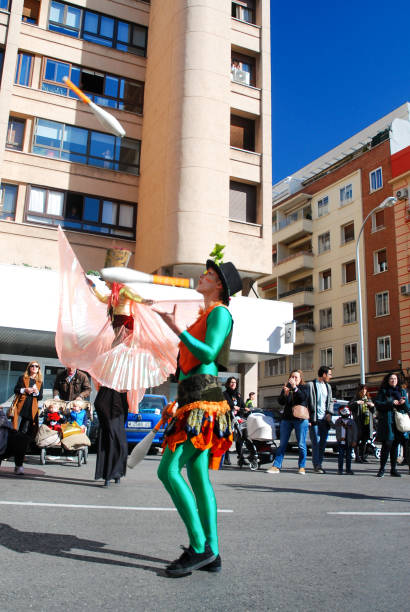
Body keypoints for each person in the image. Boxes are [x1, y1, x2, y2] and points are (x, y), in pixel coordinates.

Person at [155, 257, 242, 577]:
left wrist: (175, 327)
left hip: (205, 401)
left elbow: (208, 353)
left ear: (219, 284)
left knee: (168, 471)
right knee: (197, 476)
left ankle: (199, 546)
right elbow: (188, 363)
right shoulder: (202, 317)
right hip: (192, 398)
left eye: (208, 274)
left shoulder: (221, 312)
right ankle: (213, 553)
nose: (201, 277)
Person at [266, 370, 309, 475]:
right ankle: (276, 466)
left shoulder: (304, 387)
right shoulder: (286, 387)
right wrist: (285, 394)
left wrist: (295, 388)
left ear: (300, 379)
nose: (293, 379)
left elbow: (303, 398)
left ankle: (302, 466)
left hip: (300, 418)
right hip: (287, 418)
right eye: (292, 377)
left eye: (296, 377)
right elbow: (280, 402)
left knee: (301, 444)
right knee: (283, 443)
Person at [375, 373, 410, 478]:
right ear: (387, 380)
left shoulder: (402, 391)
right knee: (387, 445)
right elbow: (378, 404)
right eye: (391, 378)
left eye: (395, 378)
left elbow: (407, 407)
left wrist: (403, 403)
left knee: (395, 446)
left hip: (398, 422)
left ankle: (393, 469)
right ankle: (382, 469)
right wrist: (390, 402)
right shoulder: (383, 391)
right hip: (387, 421)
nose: (393, 380)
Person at [307, 366, 333, 474]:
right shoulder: (311, 385)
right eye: (329, 374)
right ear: (324, 374)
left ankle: (319, 463)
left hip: (324, 420)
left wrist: (329, 413)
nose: (331, 376)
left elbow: (330, 401)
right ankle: (316, 465)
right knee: (316, 443)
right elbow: (307, 401)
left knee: (322, 443)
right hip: (314, 419)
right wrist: (308, 417)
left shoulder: (328, 387)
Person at [11, 361, 43, 441]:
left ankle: (22, 447)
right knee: (16, 428)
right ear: (29, 367)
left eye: (36, 366)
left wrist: (36, 393)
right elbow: (16, 390)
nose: (34, 367)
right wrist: (25, 390)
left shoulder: (39, 382)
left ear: (39, 369)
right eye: (32, 366)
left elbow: (40, 397)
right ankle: (14, 447)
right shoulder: (22, 378)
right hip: (21, 406)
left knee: (26, 430)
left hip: (32, 408)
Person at [223, 377, 251, 465]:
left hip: (237, 418)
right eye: (231, 382)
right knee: (228, 439)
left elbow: (242, 404)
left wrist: (246, 408)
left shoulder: (238, 395)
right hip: (227, 418)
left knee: (241, 437)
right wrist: (233, 406)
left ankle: (241, 457)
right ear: (228, 383)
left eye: (234, 382)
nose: (233, 384)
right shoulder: (224, 394)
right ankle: (226, 458)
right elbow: (227, 403)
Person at [349, 384, 375, 463]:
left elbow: (374, 411)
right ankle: (357, 457)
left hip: (367, 423)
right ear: (359, 390)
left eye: (365, 389)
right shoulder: (356, 398)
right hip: (358, 423)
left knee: (364, 440)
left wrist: (372, 405)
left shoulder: (368, 399)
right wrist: (357, 403)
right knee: (357, 440)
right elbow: (350, 405)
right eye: (362, 389)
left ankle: (363, 456)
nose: (364, 391)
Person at [0, 407, 29, 475]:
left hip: (8, 441)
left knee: (19, 439)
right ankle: (19, 466)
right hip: (8, 441)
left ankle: (19, 466)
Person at [334, 406, 358, 475]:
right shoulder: (338, 421)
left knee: (348, 457)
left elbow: (355, 432)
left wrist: (354, 441)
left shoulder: (352, 422)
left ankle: (348, 470)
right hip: (341, 442)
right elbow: (334, 427)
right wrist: (329, 421)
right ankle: (340, 470)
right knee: (340, 457)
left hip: (349, 442)